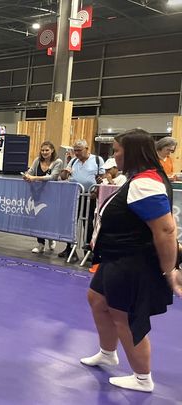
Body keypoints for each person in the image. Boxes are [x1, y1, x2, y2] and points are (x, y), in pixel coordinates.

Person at [81, 129, 182, 393]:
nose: (114, 157)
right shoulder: (136, 179)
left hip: (132, 262)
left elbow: (166, 230)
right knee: (97, 299)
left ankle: (141, 377)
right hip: (116, 256)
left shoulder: (145, 183)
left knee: (124, 316)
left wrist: (170, 269)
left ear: (133, 152)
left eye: (116, 151)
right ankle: (107, 352)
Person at [58, 139, 105, 260]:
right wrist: (65, 172)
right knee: (71, 222)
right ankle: (69, 249)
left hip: (90, 197)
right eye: (75, 150)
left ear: (87, 149)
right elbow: (63, 177)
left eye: (79, 150)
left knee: (88, 224)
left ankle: (88, 252)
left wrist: (96, 190)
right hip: (75, 196)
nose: (77, 153)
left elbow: (102, 178)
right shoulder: (73, 161)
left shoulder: (97, 160)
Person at [23, 140, 64, 253]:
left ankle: (51, 238)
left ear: (52, 151)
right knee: (38, 218)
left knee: (49, 218)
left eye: (47, 150)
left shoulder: (58, 162)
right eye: (42, 150)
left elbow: (53, 177)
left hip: (52, 194)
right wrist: (27, 175)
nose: (44, 152)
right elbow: (31, 171)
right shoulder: (37, 160)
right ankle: (40, 244)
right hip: (38, 193)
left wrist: (35, 178)